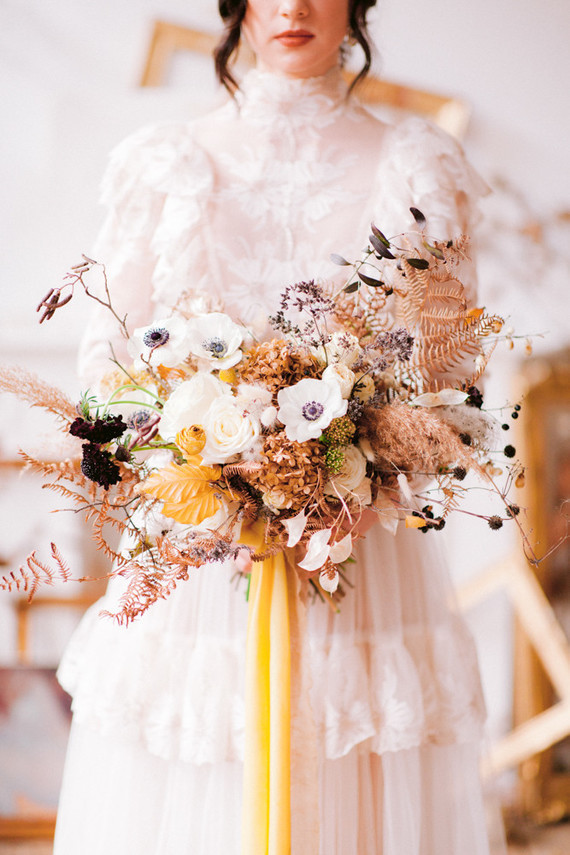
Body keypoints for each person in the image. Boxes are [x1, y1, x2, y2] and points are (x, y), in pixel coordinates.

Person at [54, 1, 495, 853]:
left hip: (358, 547)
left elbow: (453, 375)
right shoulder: (167, 164)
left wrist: (363, 472)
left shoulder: (416, 166)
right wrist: (206, 461)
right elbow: (107, 366)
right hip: (201, 553)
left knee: (353, 767)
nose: (293, 7)